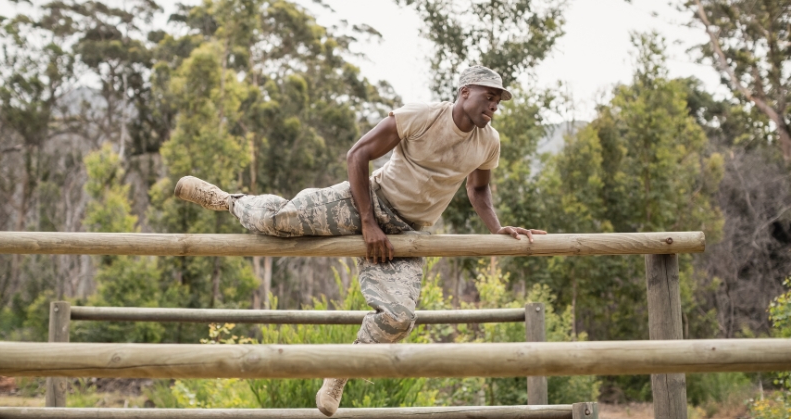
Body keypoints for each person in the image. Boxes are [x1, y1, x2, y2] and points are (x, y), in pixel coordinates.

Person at [173, 65, 547, 416]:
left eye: (499, 99)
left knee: (400, 318)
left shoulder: (489, 142)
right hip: (365, 201)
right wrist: (368, 221)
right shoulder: (421, 115)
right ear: (465, 92)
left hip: (407, 232)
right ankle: (226, 200)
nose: (495, 104)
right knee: (278, 219)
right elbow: (358, 154)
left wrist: (498, 229)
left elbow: (478, 190)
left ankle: (338, 374)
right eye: (489, 96)